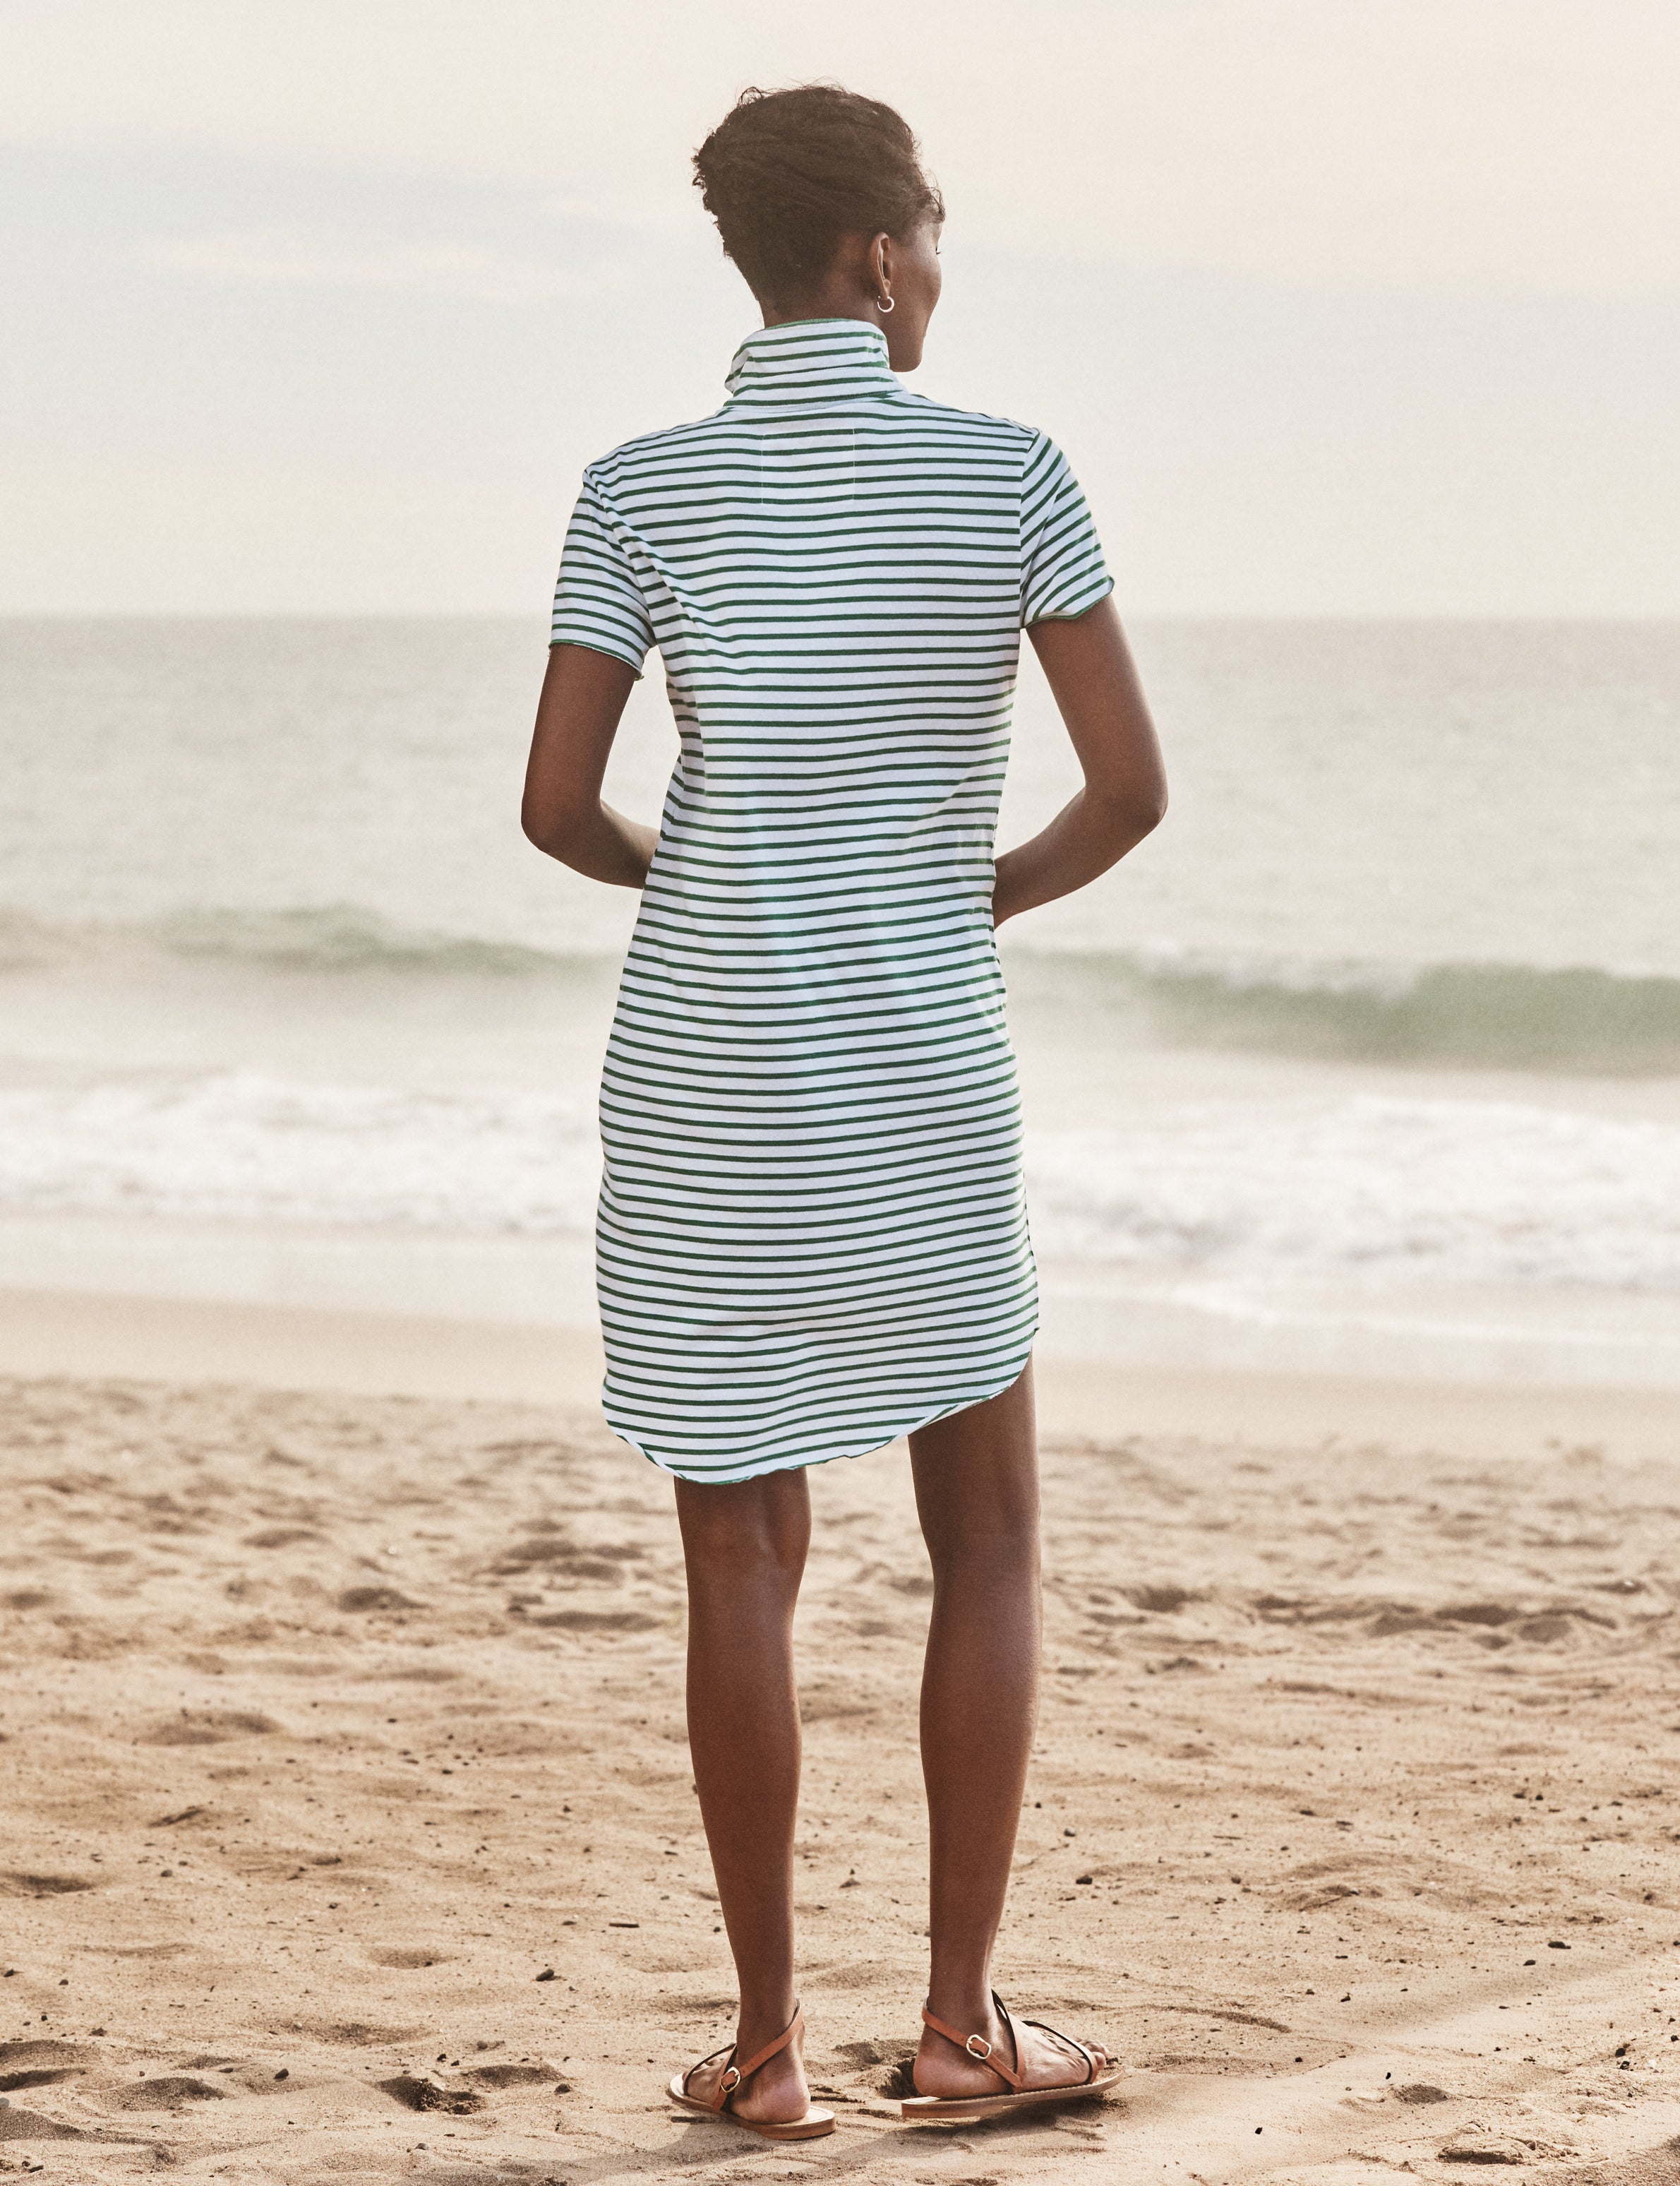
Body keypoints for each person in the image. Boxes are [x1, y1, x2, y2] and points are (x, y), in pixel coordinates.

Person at [522, 83, 1167, 2142]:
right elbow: (1126, 795)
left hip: (706, 1072)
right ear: (884, 254)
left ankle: (768, 2054)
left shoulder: (638, 486)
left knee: (741, 1555)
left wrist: (723, 886)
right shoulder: (1009, 476)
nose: (936, 276)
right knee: (983, 1539)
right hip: (915, 1066)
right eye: (933, 243)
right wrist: (951, 893)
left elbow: (552, 813)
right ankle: (965, 2028)